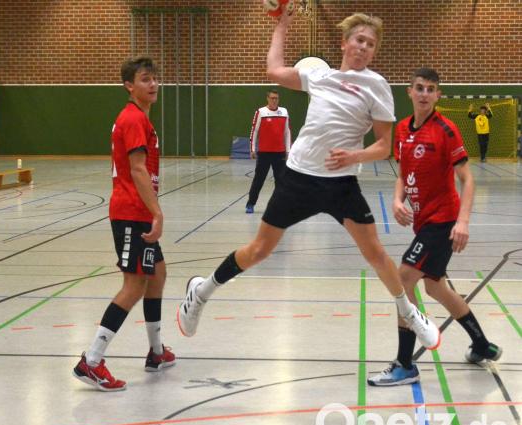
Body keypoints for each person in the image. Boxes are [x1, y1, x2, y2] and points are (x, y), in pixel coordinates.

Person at [177, 13, 441, 351]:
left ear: (374, 53)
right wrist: (281, 25)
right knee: (259, 250)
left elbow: (383, 146)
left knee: (375, 253)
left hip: (341, 183)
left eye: (370, 44)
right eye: (359, 39)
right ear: (345, 43)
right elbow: (274, 71)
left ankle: (410, 310)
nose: (363, 46)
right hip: (299, 177)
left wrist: (353, 157)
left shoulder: (376, 85)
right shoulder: (319, 74)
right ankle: (201, 291)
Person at [368, 68, 502, 386]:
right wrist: (398, 201)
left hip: (442, 221)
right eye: (419, 88)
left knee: (403, 278)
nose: (425, 93)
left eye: (431, 89)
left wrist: (463, 221)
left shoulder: (446, 129)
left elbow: (467, 179)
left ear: (438, 95)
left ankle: (405, 364)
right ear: (410, 92)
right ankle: (482, 345)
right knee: (435, 286)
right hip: (423, 221)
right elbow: (403, 173)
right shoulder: (402, 130)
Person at [73, 56, 175, 391]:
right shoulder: (132, 118)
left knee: (157, 274)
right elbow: (138, 170)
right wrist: (157, 213)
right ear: (129, 85)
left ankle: (156, 352)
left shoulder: (141, 118)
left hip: (138, 212)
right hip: (131, 212)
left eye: (155, 78)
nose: (153, 84)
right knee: (133, 285)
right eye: (145, 79)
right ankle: (91, 360)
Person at [245, 89, 290, 214]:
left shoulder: (284, 112)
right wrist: (253, 148)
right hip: (264, 153)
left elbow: (288, 132)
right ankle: (250, 203)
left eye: (276, 98)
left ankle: (280, 205)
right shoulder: (261, 112)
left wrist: (288, 150)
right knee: (259, 180)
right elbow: (254, 131)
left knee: (281, 181)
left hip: (279, 153)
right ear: (268, 99)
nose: (274, 100)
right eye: (272, 98)